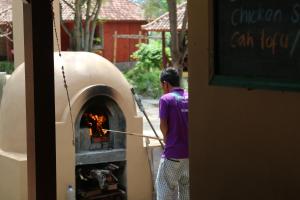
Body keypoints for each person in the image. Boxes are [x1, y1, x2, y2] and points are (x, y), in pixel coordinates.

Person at [156, 67, 189, 200]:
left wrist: (165, 138)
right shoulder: (190, 96)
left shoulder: (166, 99)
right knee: (186, 194)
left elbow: (163, 125)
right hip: (190, 156)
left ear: (165, 83)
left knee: (164, 193)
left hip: (173, 155)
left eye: (162, 85)